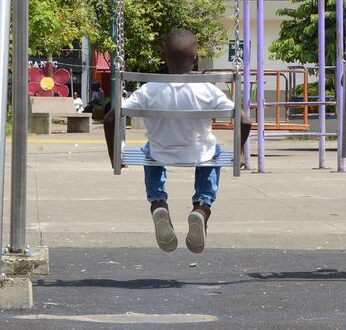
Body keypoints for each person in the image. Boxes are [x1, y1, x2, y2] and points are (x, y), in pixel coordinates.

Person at [105, 29, 252, 254]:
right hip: (200, 154)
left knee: (148, 150)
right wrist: (240, 153)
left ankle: (157, 203)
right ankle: (202, 208)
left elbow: (111, 119)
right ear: (195, 58)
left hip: (160, 153)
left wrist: (115, 155)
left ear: (163, 56)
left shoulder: (148, 89)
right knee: (214, 151)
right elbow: (245, 121)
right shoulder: (207, 89)